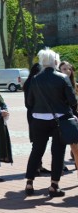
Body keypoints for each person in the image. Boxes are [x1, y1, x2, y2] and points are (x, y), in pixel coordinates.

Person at [25, 49, 78, 197]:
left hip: (38, 120)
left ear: (42, 62)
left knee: (36, 151)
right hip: (59, 120)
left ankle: (29, 183)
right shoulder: (62, 78)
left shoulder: (35, 79)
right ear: (56, 62)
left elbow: (29, 102)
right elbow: (73, 101)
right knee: (58, 152)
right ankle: (54, 185)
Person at [22, 64, 50, 175]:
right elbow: (28, 103)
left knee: (38, 140)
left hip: (34, 113)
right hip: (34, 114)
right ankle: (36, 167)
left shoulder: (32, 82)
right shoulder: (32, 83)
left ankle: (39, 165)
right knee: (37, 141)